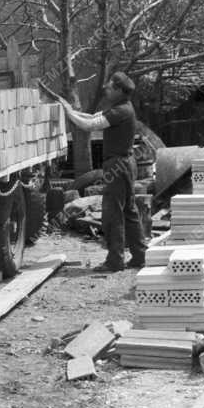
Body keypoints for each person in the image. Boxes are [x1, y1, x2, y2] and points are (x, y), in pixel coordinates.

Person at [55, 72, 147, 273]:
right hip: (124, 164)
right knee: (129, 211)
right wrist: (71, 109)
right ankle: (140, 255)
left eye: (110, 86)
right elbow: (93, 117)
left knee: (113, 213)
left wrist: (67, 112)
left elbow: (89, 125)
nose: (105, 88)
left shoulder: (121, 111)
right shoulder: (120, 108)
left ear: (119, 91)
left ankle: (115, 261)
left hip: (118, 165)